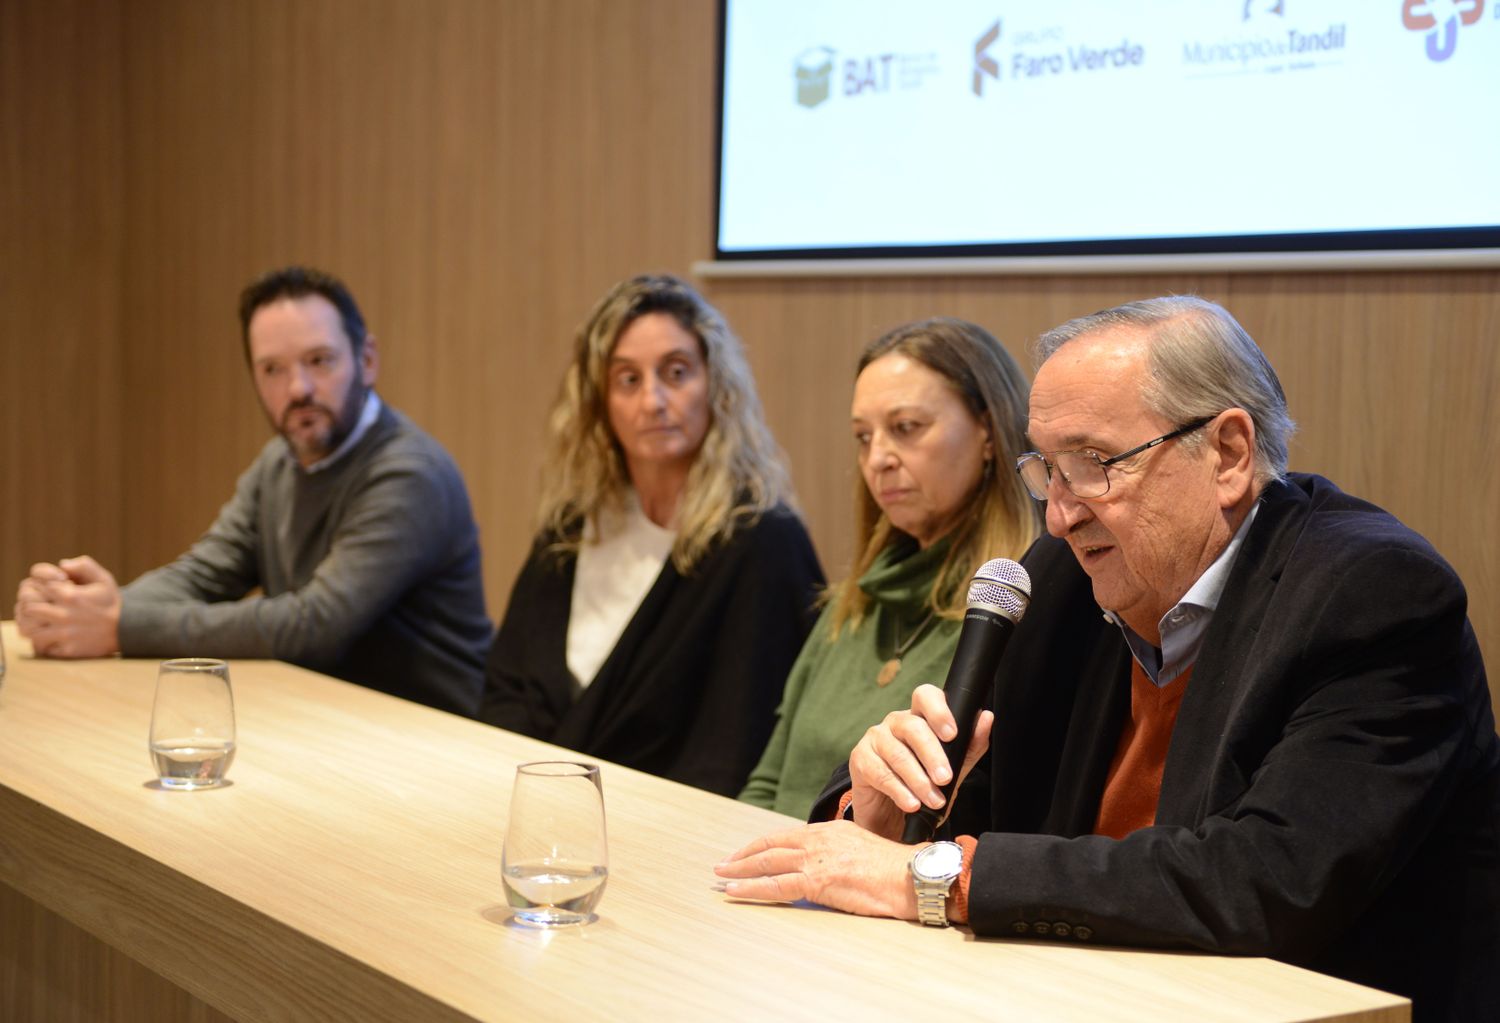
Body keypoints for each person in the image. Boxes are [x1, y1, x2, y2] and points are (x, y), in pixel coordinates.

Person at [715, 296, 1500, 1021]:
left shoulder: (1373, 597)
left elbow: (1259, 882)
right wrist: (885, 815)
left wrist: (933, 876)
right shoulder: (1068, 578)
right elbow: (981, 802)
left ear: (1227, 452)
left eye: (1094, 461)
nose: (1059, 514)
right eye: (1047, 469)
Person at [13, 266, 492, 716]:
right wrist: (93, 609)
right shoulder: (278, 463)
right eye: (272, 370)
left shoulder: (410, 473)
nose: (298, 388)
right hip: (325, 721)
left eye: (319, 361)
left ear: (367, 360)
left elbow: (315, 624)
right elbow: (205, 574)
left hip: (427, 743)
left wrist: (117, 625)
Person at [480, 274, 823, 797]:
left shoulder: (762, 543)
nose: (654, 401)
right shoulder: (571, 529)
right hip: (532, 808)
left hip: (672, 833)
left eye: (676, 372)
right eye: (628, 380)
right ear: (600, 402)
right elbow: (507, 689)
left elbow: (734, 748)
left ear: (716, 384)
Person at [739, 318, 1039, 819]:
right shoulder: (852, 602)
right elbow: (768, 782)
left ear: (988, 432)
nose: (877, 458)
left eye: (906, 429)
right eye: (862, 436)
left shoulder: (1012, 611)